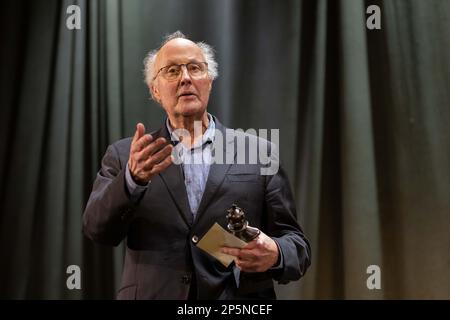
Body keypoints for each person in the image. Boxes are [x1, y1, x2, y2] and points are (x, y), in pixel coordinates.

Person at [83, 31, 311, 300]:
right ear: (155, 90)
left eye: (195, 68)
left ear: (210, 81)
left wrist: (275, 252)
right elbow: (97, 230)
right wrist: (132, 180)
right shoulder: (127, 156)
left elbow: (297, 246)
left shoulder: (258, 152)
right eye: (171, 71)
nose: (186, 78)